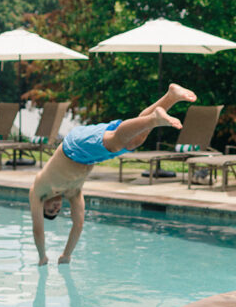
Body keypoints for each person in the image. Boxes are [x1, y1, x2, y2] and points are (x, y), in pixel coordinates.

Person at [29, 83, 196, 264]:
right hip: (89, 155)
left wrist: (42, 256)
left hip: (73, 147)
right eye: (57, 211)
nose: (55, 208)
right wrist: (67, 254)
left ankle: (154, 119)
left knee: (117, 141)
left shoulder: (38, 191)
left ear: (43, 205)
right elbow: (78, 224)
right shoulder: (73, 193)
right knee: (134, 140)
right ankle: (170, 97)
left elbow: (37, 229)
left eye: (50, 210)